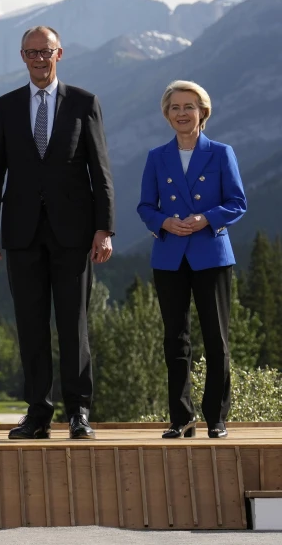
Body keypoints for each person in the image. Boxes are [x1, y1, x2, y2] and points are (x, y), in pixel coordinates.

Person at [0, 26, 114, 440]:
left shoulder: (84, 103)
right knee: (31, 324)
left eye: (46, 51)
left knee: (73, 325)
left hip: (74, 233)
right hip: (20, 234)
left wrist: (104, 228)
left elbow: (100, 171)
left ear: (60, 54)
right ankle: (38, 413)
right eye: (31, 52)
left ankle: (79, 413)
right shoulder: (6, 106)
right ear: (22, 56)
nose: (39, 58)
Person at [136, 81, 246, 439]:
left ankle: (216, 418)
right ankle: (180, 417)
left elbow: (237, 203)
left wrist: (206, 218)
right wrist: (164, 221)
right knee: (176, 340)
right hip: (169, 256)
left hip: (211, 255)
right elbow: (145, 207)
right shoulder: (156, 156)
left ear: (204, 112)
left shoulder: (221, 152)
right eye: (175, 107)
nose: (182, 113)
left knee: (216, 339)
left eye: (189, 107)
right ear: (167, 115)